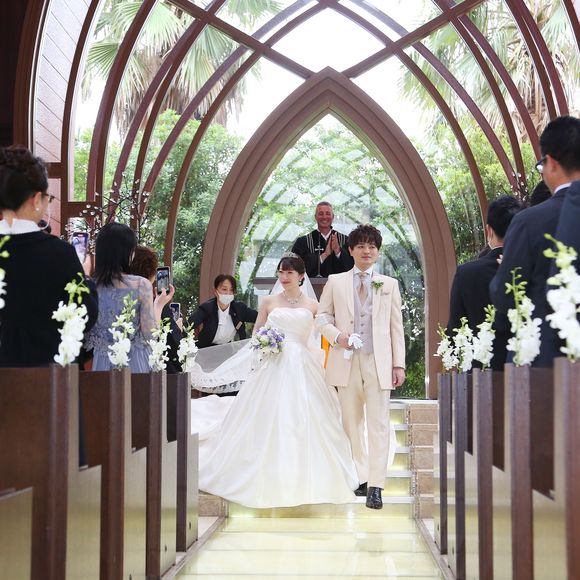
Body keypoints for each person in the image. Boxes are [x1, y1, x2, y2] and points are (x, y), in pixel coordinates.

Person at [189, 253, 358, 508]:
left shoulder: (314, 305)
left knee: (308, 415)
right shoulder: (269, 301)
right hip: (273, 362)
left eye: (289, 272)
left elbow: (323, 331)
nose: (284, 276)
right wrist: (265, 342)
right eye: (281, 272)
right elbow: (257, 332)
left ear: (301, 277)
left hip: (303, 364)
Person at [316, 224, 406, 510]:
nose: (367, 251)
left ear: (377, 252)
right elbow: (322, 318)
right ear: (351, 250)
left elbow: (396, 328)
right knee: (351, 424)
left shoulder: (388, 284)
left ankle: (376, 486)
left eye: (372, 246)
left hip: (379, 362)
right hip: (346, 361)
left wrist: (399, 364)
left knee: (379, 424)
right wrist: (338, 337)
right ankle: (361, 476)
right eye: (361, 246)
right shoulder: (336, 281)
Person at [490, 116, 580, 367]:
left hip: (546, 358)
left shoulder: (529, 222)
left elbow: (505, 296)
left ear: (551, 163)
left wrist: (505, 270)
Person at [0, 145, 98, 366]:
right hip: (47, 381)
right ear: (36, 199)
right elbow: (85, 314)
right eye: (48, 197)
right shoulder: (59, 254)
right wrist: (85, 277)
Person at [447, 195, 522, 370]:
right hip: (524, 366)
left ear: (489, 230)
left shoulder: (467, 273)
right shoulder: (530, 267)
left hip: (480, 369)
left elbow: (455, 328)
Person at [84, 223, 173, 372]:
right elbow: (150, 335)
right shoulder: (140, 284)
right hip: (136, 363)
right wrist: (159, 305)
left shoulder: (90, 286)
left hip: (102, 364)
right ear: (126, 252)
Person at [129, 245, 183, 374]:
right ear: (153, 274)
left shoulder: (121, 298)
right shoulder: (157, 302)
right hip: (155, 373)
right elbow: (176, 345)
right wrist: (178, 330)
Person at [188, 274, 257, 348]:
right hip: (206, 348)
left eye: (231, 290)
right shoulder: (207, 308)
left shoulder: (239, 308)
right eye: (224, 289)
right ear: (215, 291)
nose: (228, 293)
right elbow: (188, 326)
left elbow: (259, 317)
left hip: (227, 348)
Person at [291, 201, 354, 278]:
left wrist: (338, 251)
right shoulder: (303, 242)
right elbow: (295, 268)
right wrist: (324, 255)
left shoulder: (346, 240)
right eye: (321, 214)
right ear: (315, 217)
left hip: (340, 284)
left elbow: (352, 267)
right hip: (311, 284)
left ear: (333, 216)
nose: (324, 217)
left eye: (328, 213)